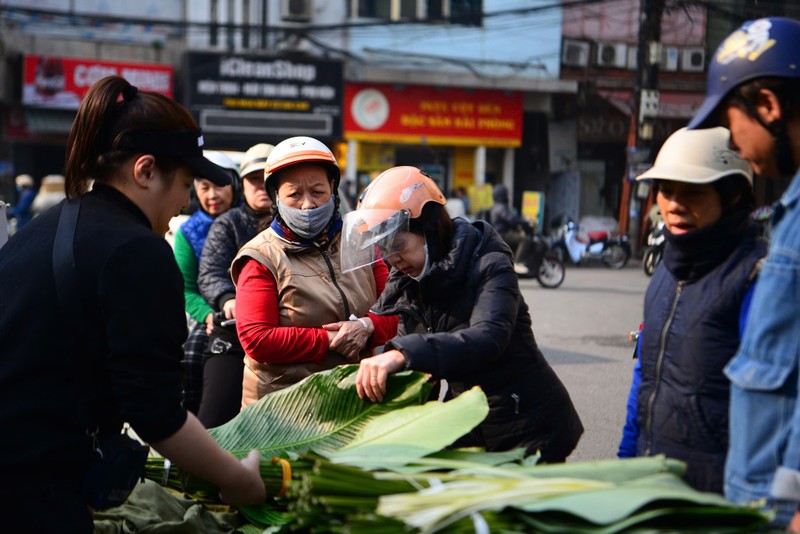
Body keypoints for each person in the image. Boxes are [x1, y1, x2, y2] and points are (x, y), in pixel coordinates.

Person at [0, 76, 264, 533]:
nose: (184, 203)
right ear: (145, 171)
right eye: (185, 183)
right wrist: (236, 477)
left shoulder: (52, 225)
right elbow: (154, 411)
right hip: (29, 488)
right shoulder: (136, 252)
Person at [340, 166, 583, 461]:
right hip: (469, 420)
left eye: (398, 245)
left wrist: (401, 353)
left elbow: (488, 338)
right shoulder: (409, 282)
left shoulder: (489, 262)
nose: (393, 259)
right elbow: (421, 373)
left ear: (429, 228)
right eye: (384, 249)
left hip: (527, 423)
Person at [685, 16, 800, 529]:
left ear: (769, 107)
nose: (737, 143)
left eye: (734, 125)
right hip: (761, 502)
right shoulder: (792, 210)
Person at [617, 127, 766, 493]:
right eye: (666, 191)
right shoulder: (665, 274)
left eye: (693, 192)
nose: (674, 205)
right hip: (654, 481)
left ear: (732, 197)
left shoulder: (758, 280)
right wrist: (625, 463)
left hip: (718, 498)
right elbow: (645, 379)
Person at [231, 136, 398, 405]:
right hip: (285, 407)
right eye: (294, 194)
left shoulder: (361, 243)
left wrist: (366, 327)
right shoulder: (261, 257)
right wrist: (330, 339)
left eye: (318, 192)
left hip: (357, 396)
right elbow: (257, 339)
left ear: (333, 189)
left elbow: (396, 309)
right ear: (276, 197)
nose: (307, 205)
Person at [196, 143, 274, 427]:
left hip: (291, 328)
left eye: (269, 178)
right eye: (254, 179)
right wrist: (228, 299)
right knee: (213, 422)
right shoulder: (228, 224)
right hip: (234, 329)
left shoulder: (296, 224)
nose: (262, 186)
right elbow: (211, 273)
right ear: (242, 185)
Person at [173, 151, 238, 414]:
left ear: (234, 185)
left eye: (220, 186)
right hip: (208, 314)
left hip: (251, 310)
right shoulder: (187, 232)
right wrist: (208, 315)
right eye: (204, 187)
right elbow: (185, 289)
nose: (213, 195)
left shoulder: (249, 220)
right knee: (190, 355)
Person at [488, 184, 533, 275]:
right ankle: (517, 262)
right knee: (524, 240)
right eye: (506, 194)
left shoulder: (497, 206)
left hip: (500, 233)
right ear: (502, 195)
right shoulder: (500, 207)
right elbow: (512, 219)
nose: (508, 196)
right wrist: (525, 222)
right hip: (503, 234)